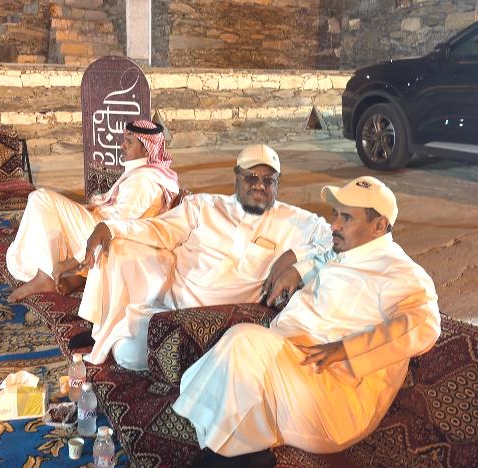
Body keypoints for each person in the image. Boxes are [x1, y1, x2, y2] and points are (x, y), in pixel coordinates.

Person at [172, 176, 441, 468]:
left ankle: (231, 453)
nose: (334, 225)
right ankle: (240, 454)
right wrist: (298, 269)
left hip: (333, 395)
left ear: (379, 226)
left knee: (243, 341)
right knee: (237, 359)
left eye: (347, 218)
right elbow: (324, 255)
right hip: (294, 367)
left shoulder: (402, 273)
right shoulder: (348, 252)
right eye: (335, 214)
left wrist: (347, 349)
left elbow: (425, 323)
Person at [75, 144, 333, 371]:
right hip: (170, 309)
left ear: (278, 182)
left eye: (269, 180)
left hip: (221, 325)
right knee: (128, 354)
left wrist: (295, 260)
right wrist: (111, 228)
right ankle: (105, 330)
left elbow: (334, 240)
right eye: (251, 177)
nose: (260, 186)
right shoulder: (203, 206)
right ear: (237, 177)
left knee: (139, 355)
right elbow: (160, 230)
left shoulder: (296, 221)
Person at [6, 119, 179, 302]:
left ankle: (47, 277)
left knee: (41, 199)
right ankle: (78, 275)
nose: (122, 145)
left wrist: (74, 260)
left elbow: (116, 227)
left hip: (108, 238)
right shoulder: (144, 173)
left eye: (129, 142)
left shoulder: (144, 182)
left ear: (147, 150)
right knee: (48, 212)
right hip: (101, 224)